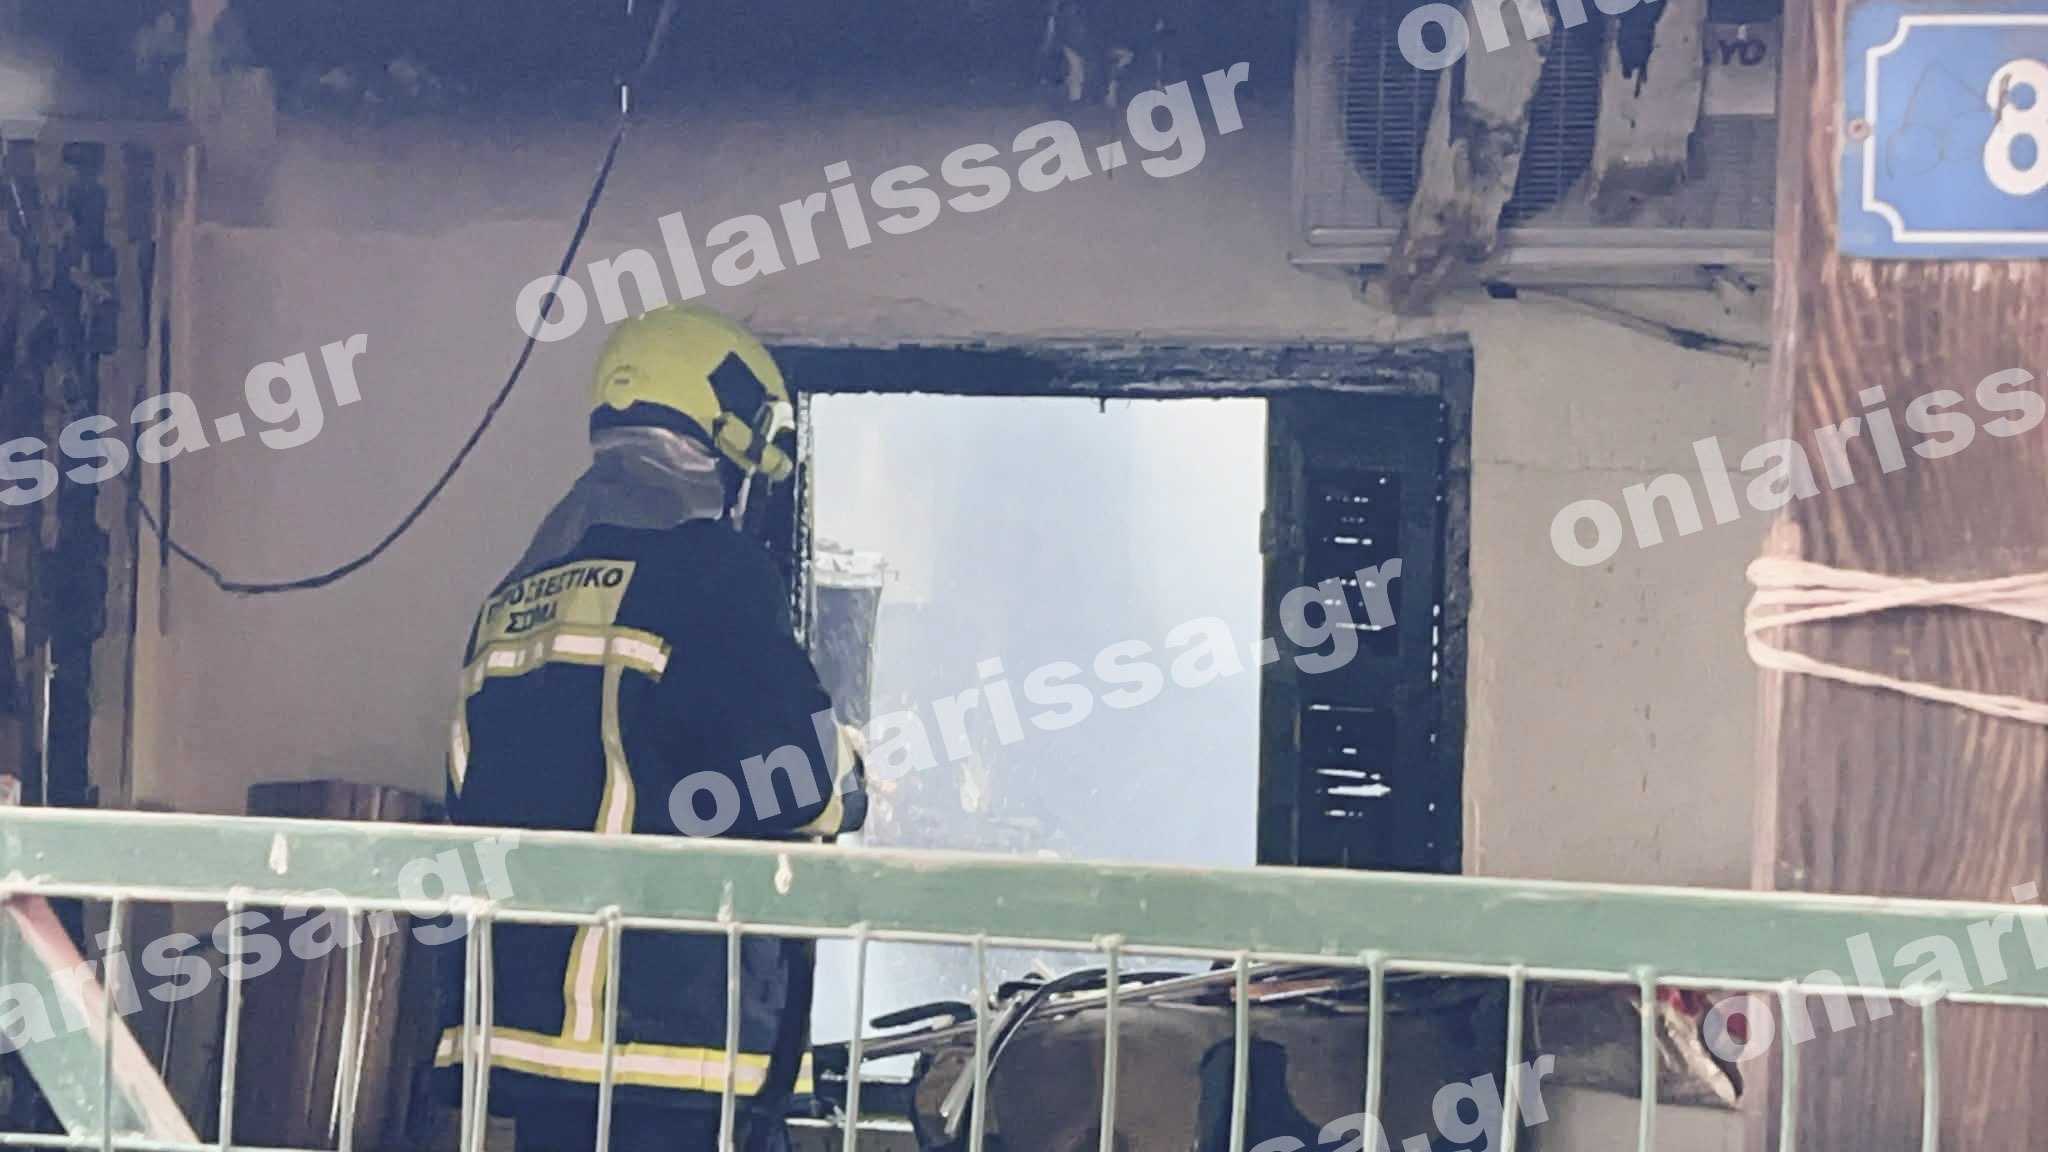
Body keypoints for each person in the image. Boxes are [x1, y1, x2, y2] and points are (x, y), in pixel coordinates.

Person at [431, 303, 865, 1152]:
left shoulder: (510, 602)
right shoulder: (713, 573)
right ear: (720, 447)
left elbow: (463, 790)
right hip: (674, 1052)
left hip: (534, 1053)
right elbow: (801, 783)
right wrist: (848, 769)